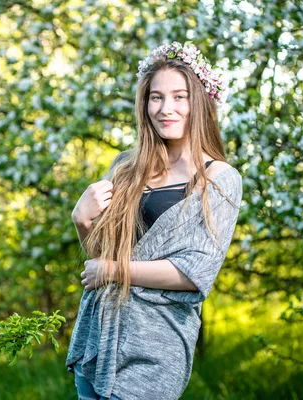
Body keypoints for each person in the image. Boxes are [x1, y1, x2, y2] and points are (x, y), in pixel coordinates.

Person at [65, 41, 243, 400]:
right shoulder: (125, 168)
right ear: (144, 105)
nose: (166, 109)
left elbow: (195, 274)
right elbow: (102, 258)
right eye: (156, 97)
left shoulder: (219, 179)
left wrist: (116, 271)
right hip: (100, 341)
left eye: (180, 97)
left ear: (200, 102)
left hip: (155, 349)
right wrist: (82, 221)